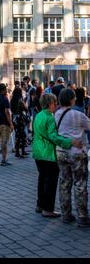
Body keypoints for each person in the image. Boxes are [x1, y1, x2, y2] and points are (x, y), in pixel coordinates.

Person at [32, 93, 82, 218]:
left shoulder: (39, 115)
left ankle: (40, 205)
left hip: (38, 152)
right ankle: (47, 209)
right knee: (50, 182)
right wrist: (70, 142)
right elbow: (53, 136)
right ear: (49, 104)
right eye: (55, 103)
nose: (57, 105)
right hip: (48, 153)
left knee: (42, 179)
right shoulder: (49, 117)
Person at [55, 88, 90, 227]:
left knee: (64, 182)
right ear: (71, 99)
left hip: (61, 152)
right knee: (80, 184)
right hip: (77, 153)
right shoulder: (77, 114)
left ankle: (66, 214)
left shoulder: (56, 114)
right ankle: (82, 216)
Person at [0, 83, 14, 166]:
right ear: (3, 90)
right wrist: (11, 123)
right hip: (4, 123)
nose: (6, 90)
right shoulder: (5, 99)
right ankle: (4, 160)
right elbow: (7, 112)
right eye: (5, 89)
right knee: (4, 141)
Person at [10, 87, 29, 158]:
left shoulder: (12, 100)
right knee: (22, 135)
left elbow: (11, 109)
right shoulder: (20, 101)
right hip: (20, 119)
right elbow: (26, 108)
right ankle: (22, 151)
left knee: (17, 135)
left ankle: (18, 151)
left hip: (14, 119)